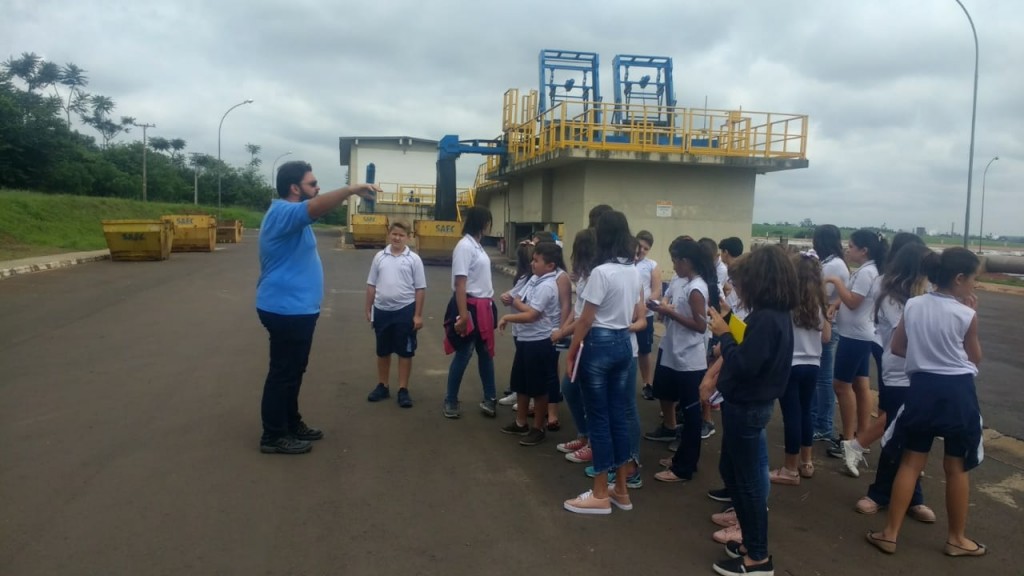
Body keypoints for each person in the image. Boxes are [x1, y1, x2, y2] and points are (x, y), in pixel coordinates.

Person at [866, 248, 985, 557]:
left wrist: (926, 357)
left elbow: (898, 346)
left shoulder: (915, 305)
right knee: (957, 467)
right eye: (973, 279)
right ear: (959, 279)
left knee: (911, 461)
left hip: (921, 388)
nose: (974, 285)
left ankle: (890, 534)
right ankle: (956, 538)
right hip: (957, 392)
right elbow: (975, 358)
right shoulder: (966, 314)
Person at [256, 160, 379, 454]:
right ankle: (273, 435)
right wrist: (350, 189)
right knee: (283, 372)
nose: (318, 187)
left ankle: (290, 421)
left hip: (297, 309)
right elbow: (316, 208)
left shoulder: (292, 217)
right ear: (294, 188)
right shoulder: (284, 212)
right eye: (312, 184)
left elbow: (314, 210)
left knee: (294, 370)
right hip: (285, 309)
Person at [702, 245, 798, 576]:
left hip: (748, 405)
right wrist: (730, 323)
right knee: (734, 472)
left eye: (742, 282)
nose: (738, 288)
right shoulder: (772, 315)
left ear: (759, 281)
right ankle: (750, 544)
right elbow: (752, 347)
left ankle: (757, 557)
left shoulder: (768, 318)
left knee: (747, 483)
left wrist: (725, 335)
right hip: (748, 404)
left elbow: (745, 362)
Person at [563, 211, 641, 515]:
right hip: (623, 342)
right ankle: (620, 489)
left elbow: (586, 318)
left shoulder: (601, 272)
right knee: (618, 416)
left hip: (599, 343)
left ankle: (599, 493)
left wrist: (571, 350)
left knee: (598, 419)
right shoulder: (632, 270)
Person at [855, 243, 935, 523]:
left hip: (923, 373)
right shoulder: (888, 294)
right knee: (895, 433)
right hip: (899, 373)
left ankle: (912, 495)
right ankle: (879, 493)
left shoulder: (927, 293)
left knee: (915, 436)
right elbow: (913, 331)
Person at [648, 238, 719, 485]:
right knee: (685, 412)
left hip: (690, 359)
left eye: (675, 261)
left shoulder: (696, 288)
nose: (674, 266)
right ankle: (683, 458)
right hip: (677, 353)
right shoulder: (686, 284)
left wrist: (670, 313)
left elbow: (701, 327)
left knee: (691, 415)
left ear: (686, 261)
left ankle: (685, 466)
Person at [825, 229, 888, 474]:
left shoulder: (867, 272)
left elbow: (854, 301)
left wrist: (837, 283)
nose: (847, 250)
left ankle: (849, 439)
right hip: (861, 334)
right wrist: (836, 303)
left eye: (851, 246)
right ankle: (862, 434)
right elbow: (851, 298)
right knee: (861, 384)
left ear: (864, 250)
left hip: (855, 337)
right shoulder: (868, 270)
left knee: (841, 385)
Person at [770, 252, 829, 486]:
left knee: (791, 415)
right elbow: (826, 337)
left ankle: (790, 468)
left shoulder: (785, 301)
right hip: (813, 364)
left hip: (789, 364)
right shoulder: (820, 303)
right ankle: (807, 462)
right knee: (806, 413)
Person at [499, 242, 564, 446]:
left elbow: (531, 315)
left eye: (537, 261)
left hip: (539, 341)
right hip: (526, 339)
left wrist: (510, 316)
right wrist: (520, 305)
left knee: (538, 387)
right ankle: (521, 423)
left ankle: (538, 427)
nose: (532, 264)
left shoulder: (547, 285)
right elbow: (519, 299)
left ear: (550, 265)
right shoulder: (535, 279)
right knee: (521, 383)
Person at [443, 207, 498, 419]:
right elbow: (460, 283)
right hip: (469, 306)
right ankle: (450, 399)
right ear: (482, 223)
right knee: (464, 354)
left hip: (484, 306)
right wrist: (464, 315)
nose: (489, 225)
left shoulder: (478, 247)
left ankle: (490, 397)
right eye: (488, 221)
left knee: (485, 354)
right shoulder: (465, 247)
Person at [364, 220, 426, 408]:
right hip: (382, 310)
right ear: (389, 235)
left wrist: (418, 315)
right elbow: (371, 284)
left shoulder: (414, 259)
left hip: (405, 311)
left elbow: (420, 289)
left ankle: (403, 389)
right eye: (394, 234)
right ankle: (383, 385)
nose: (397, 238)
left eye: (401, 235)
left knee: (404, 351)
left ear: (408, 237)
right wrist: (368, 307)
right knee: (382, 350)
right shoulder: (379, 257)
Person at [553, 229, 598, 463]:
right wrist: (564, 329)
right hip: (579, 337)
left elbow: (586, 319)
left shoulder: (596, 277)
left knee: (587, 393)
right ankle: (584, 434)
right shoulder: (583, 276)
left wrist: (563, 332)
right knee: (571, 388)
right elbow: (576, 310)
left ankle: (592, 442)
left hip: (589, 339)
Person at [810, 225, 848, 442]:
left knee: (823, 379)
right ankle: (818, 420)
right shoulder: (833, 263)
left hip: (827, 325)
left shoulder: (832, 266)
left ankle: (823, 425)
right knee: (820, 378)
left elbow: (818, 294)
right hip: (825, 323)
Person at [635, 230, 662, 401]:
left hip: (645, 314)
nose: (642, 250)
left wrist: (643, 308)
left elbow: (657, 290)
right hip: (624, 314)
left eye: (646, 248)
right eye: (640, 246)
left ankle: (647, 383)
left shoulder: (652, 265)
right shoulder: (625, 262)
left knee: (644, 350)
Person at [718, 237, 747, 321]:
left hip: (737, 314)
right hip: (731, 312)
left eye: (721, 252)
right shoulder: (746, 268)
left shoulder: (724, 271)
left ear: (726, 252)